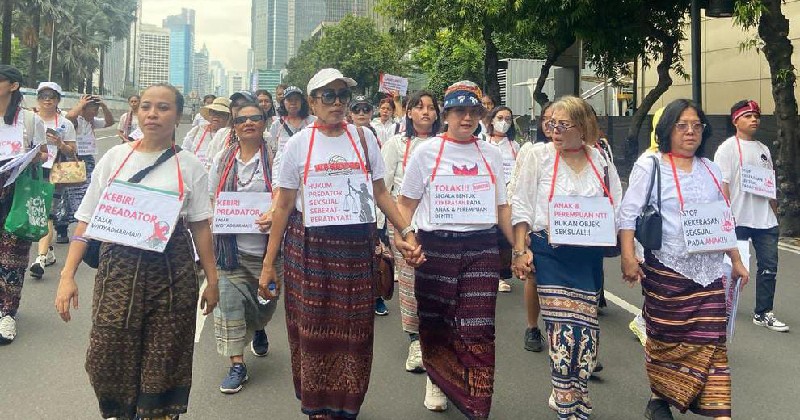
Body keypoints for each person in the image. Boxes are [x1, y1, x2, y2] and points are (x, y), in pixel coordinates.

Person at [259, 68, 421, 420]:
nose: (337, 103)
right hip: (308, 249)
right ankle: (317, 405)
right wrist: (269, 264)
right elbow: (284, 205)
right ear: (313, 102)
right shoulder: (298, 144)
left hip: (355, 249)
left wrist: (407, 232)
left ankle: (347, 403)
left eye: (342, 96)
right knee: (311, 327)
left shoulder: (363, 139)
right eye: (328, 96)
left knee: (355, 330)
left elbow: (381, 194)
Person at [55, 84, 220, 420]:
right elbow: (86, 219)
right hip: (117, 274)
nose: (153, 114)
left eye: (163, 108)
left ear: (178, 115)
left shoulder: (189, 167)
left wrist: (213, 280)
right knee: (105, 356)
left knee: (164, 359)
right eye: (146, 107)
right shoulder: (115, 158)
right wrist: (66, 275)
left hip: (171, 275)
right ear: (136, 112)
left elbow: (200, 226)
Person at [619, 99, 749, 420]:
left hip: (709, 274)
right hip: (667, 269)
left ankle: (721, 413)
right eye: (682, 125)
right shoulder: (650, 165)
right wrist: (628, 257)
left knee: (713, 345)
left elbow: (723, 218)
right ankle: (660, 398)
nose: (691, 132)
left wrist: (735, 259)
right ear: (667, 130)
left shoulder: (711, 168)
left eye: (696, 125)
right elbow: (628, 215)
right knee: (666, 340)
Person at [398, 81, 512, 419]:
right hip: (436, 248)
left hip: (481, 248)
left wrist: (520, 249)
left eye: (473, 111)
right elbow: (405, 205)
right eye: (459, 111)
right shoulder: (426, 152)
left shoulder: (490, 153)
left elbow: (502, 206)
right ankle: (438, 377)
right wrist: (406, 241)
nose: (466, 117)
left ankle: (477, 403)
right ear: (445, 115)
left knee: (478, 327)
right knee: (436, 322)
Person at [511, 96, 622, 419]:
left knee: (586, 333)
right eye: (551, 124)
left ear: (583, 126)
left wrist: (625, 247)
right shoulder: (538, 157)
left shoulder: (599, 160)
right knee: (562, 329)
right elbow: (521, 204)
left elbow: (618, 205)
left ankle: (577, 388)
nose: (554, 131)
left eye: (563, 125)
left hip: (587, 258)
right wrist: (521, 250)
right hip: (550, 253)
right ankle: (567, 401)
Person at [209, 102, 279, 394]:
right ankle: (237, 364)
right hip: (230, 252)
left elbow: (286, 196)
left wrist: (274, 212)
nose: (248, 123)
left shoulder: (277, 159)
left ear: (264, 123)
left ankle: (259, 327)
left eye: (255, 118)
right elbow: (212, 197)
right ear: (234, 126)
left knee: (264, 306)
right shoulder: (222, 159)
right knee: (228, 306)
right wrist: (220, 217)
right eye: (241, 120)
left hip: (268, 252)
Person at [714, 100, 787, 332]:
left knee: (769, 267)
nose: (754, 119)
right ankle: (720, 309)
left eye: (756, 115)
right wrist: (725, 216)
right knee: (732, 269)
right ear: (736, 120)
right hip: (737, 219)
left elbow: (769, 185)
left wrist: (775, 213)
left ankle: (763, 312)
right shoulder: (727, 148)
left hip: (765, 220)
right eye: (747, 116)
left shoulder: (764, 149)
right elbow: (722, 184)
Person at [381, 90, 440, 372]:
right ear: (408, 113)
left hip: (440, 221)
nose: (425, 112)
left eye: (431, 107)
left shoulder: (447, 144)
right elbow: (384, 186)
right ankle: (415, 340)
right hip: (405, 219)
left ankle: (438, 336)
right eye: (419, 107)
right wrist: (389, 226)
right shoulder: (396, 144)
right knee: (409, 280)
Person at [0, 65, 47, 344]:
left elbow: (42, 153)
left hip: (16, 195)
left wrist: (28, 158)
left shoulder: (29, 121)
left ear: (13, 86)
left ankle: (7, 314)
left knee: (12, 256)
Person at [507, 101, 553, 352]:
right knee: (534, 278)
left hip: (575, 231)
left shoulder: (586, 153)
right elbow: (518, 189)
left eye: (558, 119)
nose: (552, 124)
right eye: (547, 119)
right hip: (538, 228)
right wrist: (520, 236)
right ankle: (533, 327)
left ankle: (573, 339)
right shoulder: (532, 151)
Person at [29, 81, 77, 280]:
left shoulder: (65, 123)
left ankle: (39, 259)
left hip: (54, 172)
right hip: (30, 171)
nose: (47, 100)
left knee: (46, 214)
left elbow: (73, 151)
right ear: (38, 99)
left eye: (51, 96)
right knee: (34, 211)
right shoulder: (29, 119)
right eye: (43, 96)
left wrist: (60, 143)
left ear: (58, 100)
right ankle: (48, 251)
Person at [58, 94, 115, 243]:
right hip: (71, 159)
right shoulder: (73, 120)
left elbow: (110, 122)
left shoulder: (92, 122)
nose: (94, 114)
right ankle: (62, 227)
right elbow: (70, 115)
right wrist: (82, 103)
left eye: (96, 110)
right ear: (84, 108)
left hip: (87, 159)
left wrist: (103, 106)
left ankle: (83, 226)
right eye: (92, 110)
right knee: (66, 194)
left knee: (87, 191)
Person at [481, 106, 520, 293]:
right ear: (491, 120)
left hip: (507, 197)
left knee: (504, 238)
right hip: (485, 197)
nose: (504, 122)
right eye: (500, 117)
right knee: (489, 236)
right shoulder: (483, 142)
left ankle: (502, 276)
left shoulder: (515, 146)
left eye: (508, 119)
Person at [268, 86, 315, 185]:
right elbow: (273, 151)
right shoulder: (277, 125)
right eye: (289, 100)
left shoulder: (313, 122)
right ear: (283, 102)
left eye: (296, 100)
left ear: (302, 102)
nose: (293, 103)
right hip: (283, 174)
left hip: (309, 172)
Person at [206, 92, 256, 165]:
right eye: (235, 105)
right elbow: (210, 162)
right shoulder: (222, 133)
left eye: (244, 105)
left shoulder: (263, 135)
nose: (238, 108)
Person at [182, 97, 231, 170]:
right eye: (213, 112)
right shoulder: (196, 131)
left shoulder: (231, 135)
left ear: (228, 117)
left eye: (221, 113)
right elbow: (184, 152)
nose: (216, 116)